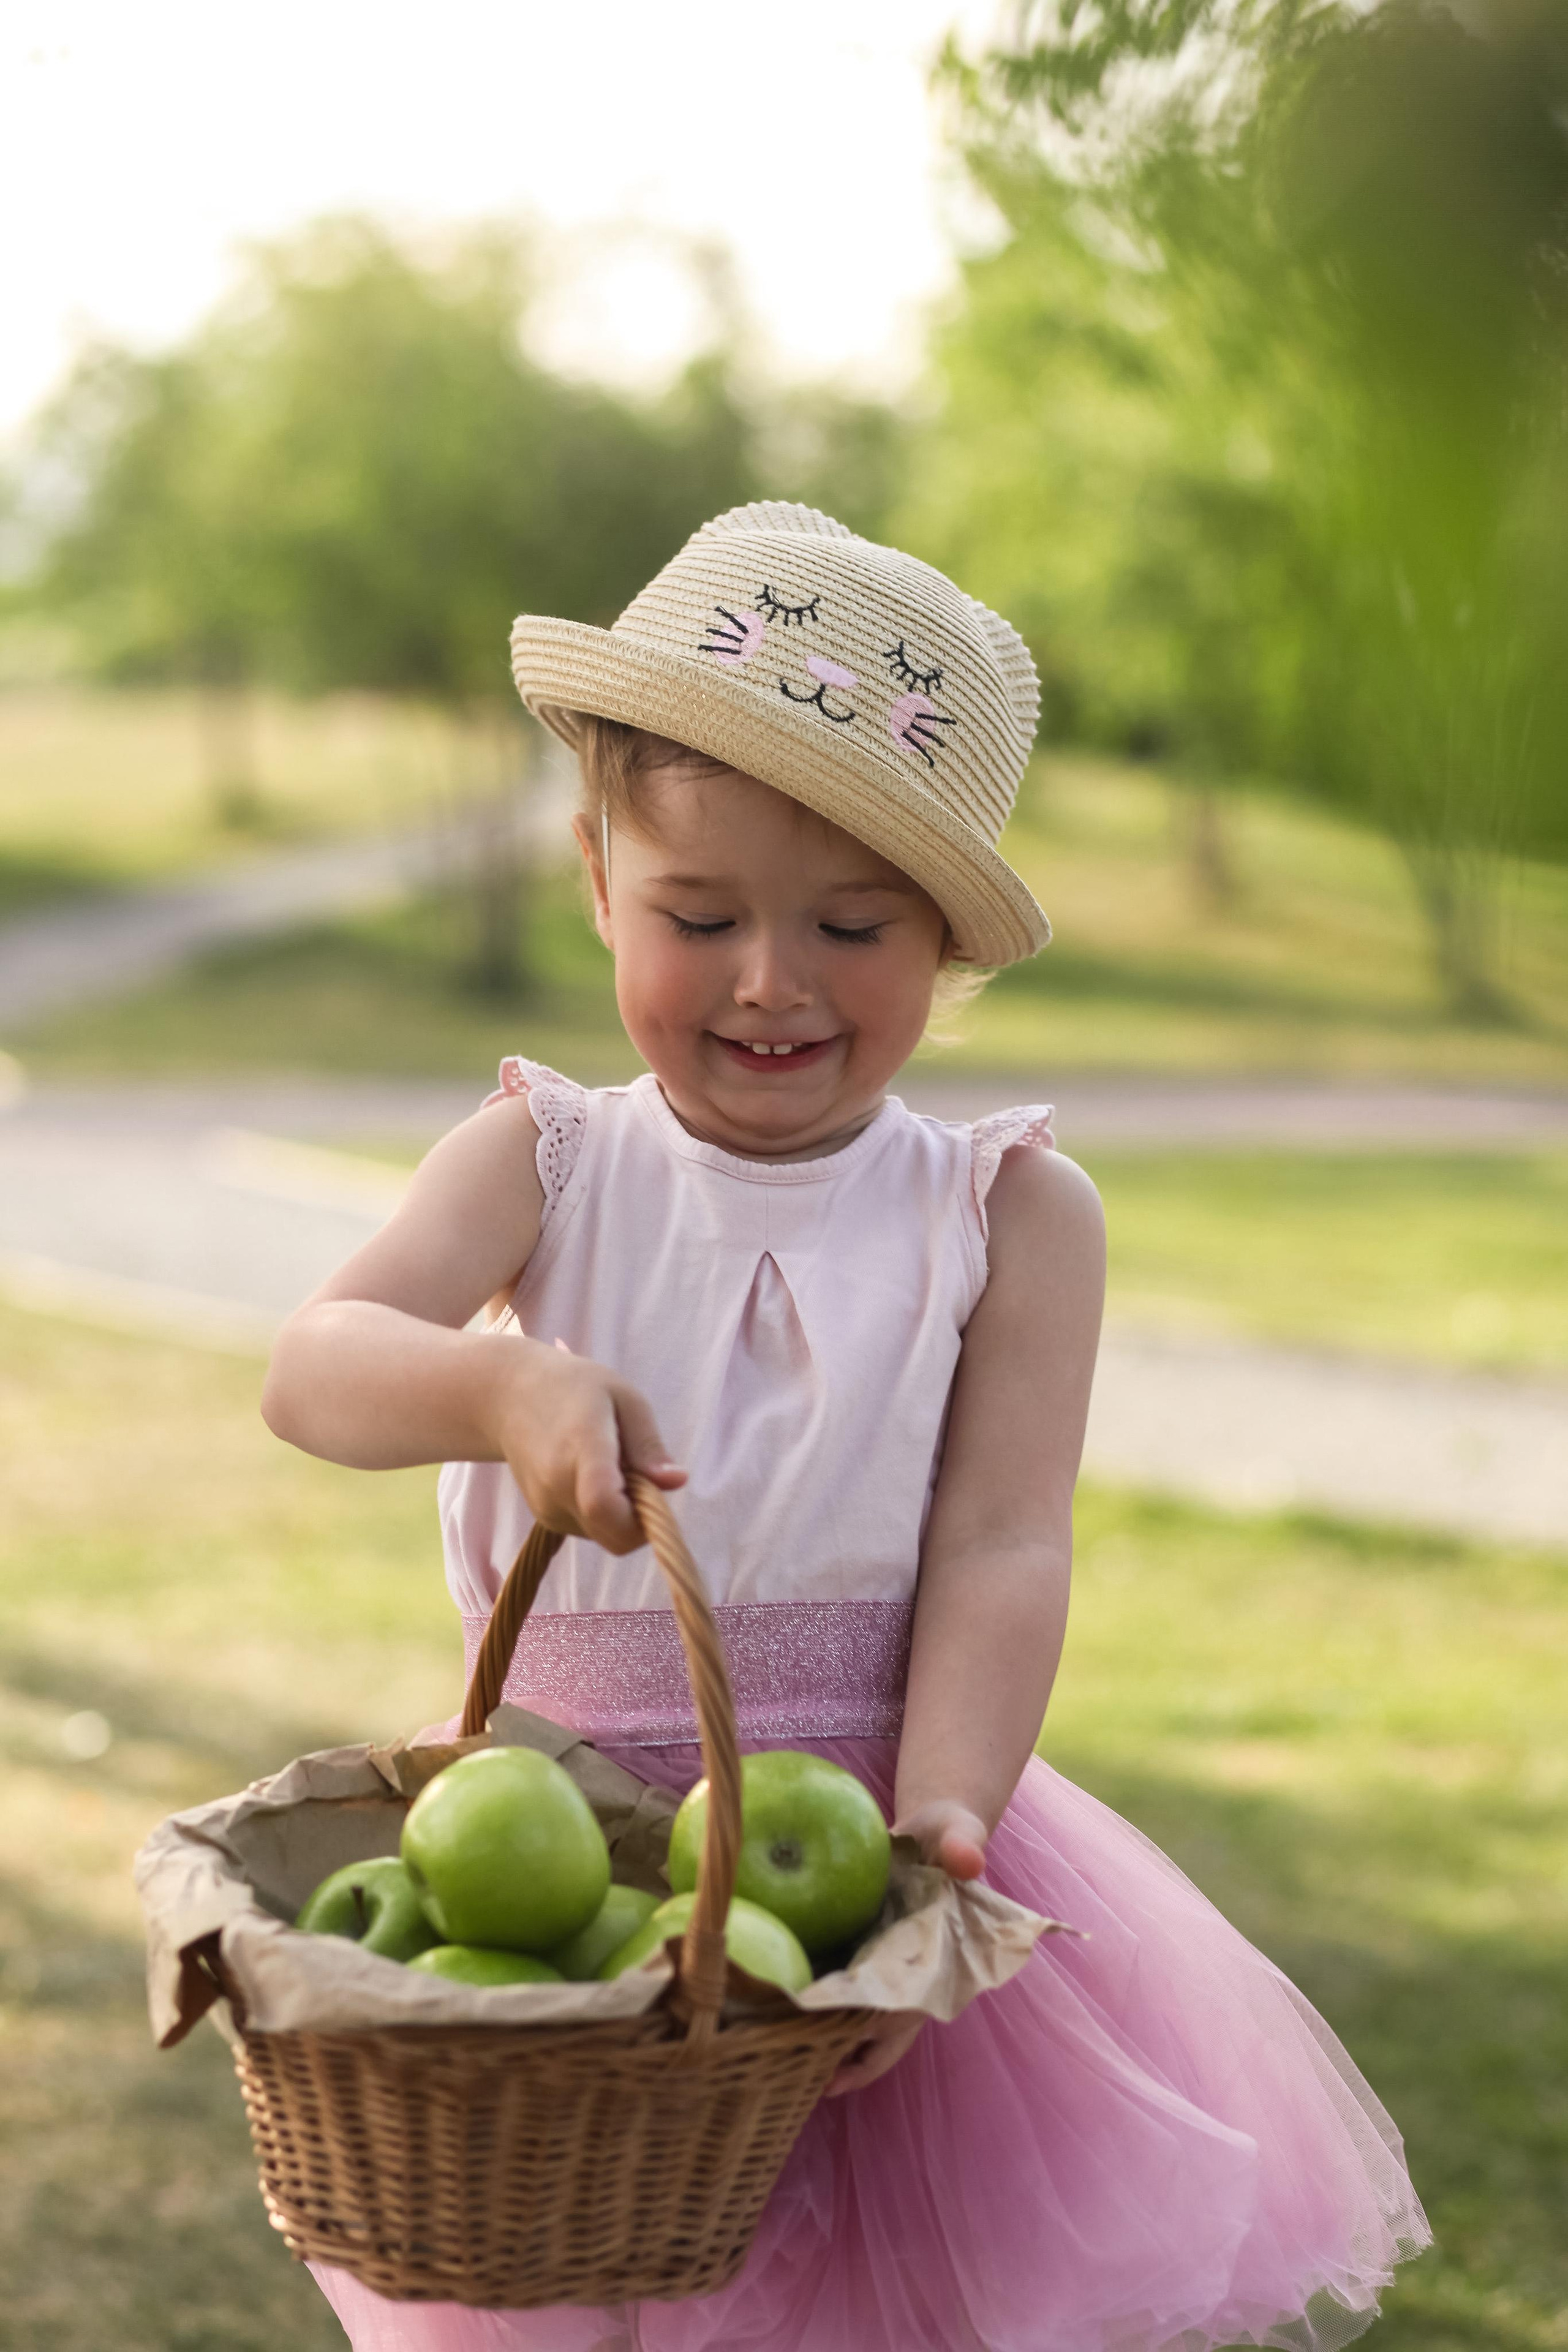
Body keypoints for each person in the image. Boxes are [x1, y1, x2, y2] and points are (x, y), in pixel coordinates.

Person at [261, 503, 1429, 2352]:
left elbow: (1003, 1542)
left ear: (948, 939)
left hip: (866, 1841)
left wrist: (946, 1818)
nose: (770, 981)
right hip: (570, 1862)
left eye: (853, 925)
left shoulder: (1008, 1215)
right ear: (598, 879)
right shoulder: (544, 1162)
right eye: (699, 916)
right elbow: (315, 1369)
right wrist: (500, 1383)